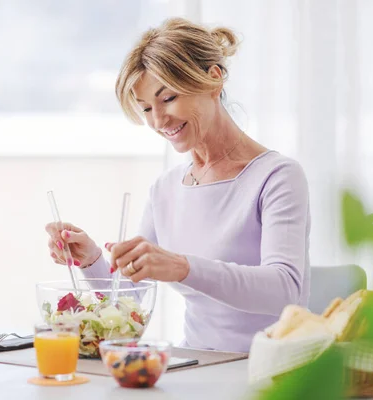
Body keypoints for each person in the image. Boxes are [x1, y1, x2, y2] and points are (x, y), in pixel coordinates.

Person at [45, 17, 310, 353]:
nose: (158, 121)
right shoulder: (165, 188)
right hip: (193, 363)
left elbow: (285, 290)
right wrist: (91, 258)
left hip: (267, 368)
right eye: (146, 109)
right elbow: (130, 294)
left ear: (213, 80)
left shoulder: (277, 177)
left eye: (168, 98)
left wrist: (183, 268)